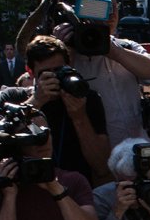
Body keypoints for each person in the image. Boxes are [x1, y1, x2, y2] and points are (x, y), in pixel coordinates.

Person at [17, 0, 150, 142]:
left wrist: (114, 51)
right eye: (102, 8)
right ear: (82, 10)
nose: (111, 15)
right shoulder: (67, 53)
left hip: (137, 149)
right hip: (94, 151)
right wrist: (64, 49)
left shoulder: (126, 46)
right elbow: (50, 98)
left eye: (114, 7)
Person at [22, 36, 112, 180]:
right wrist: (36, 102)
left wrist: (79, 117)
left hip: (77, 186)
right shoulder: (16, 99)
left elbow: (102, 167)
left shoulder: (86, 98)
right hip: (34, 184)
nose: (54, 79)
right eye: (46, 74)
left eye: (59, 71)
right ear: (30, 72)